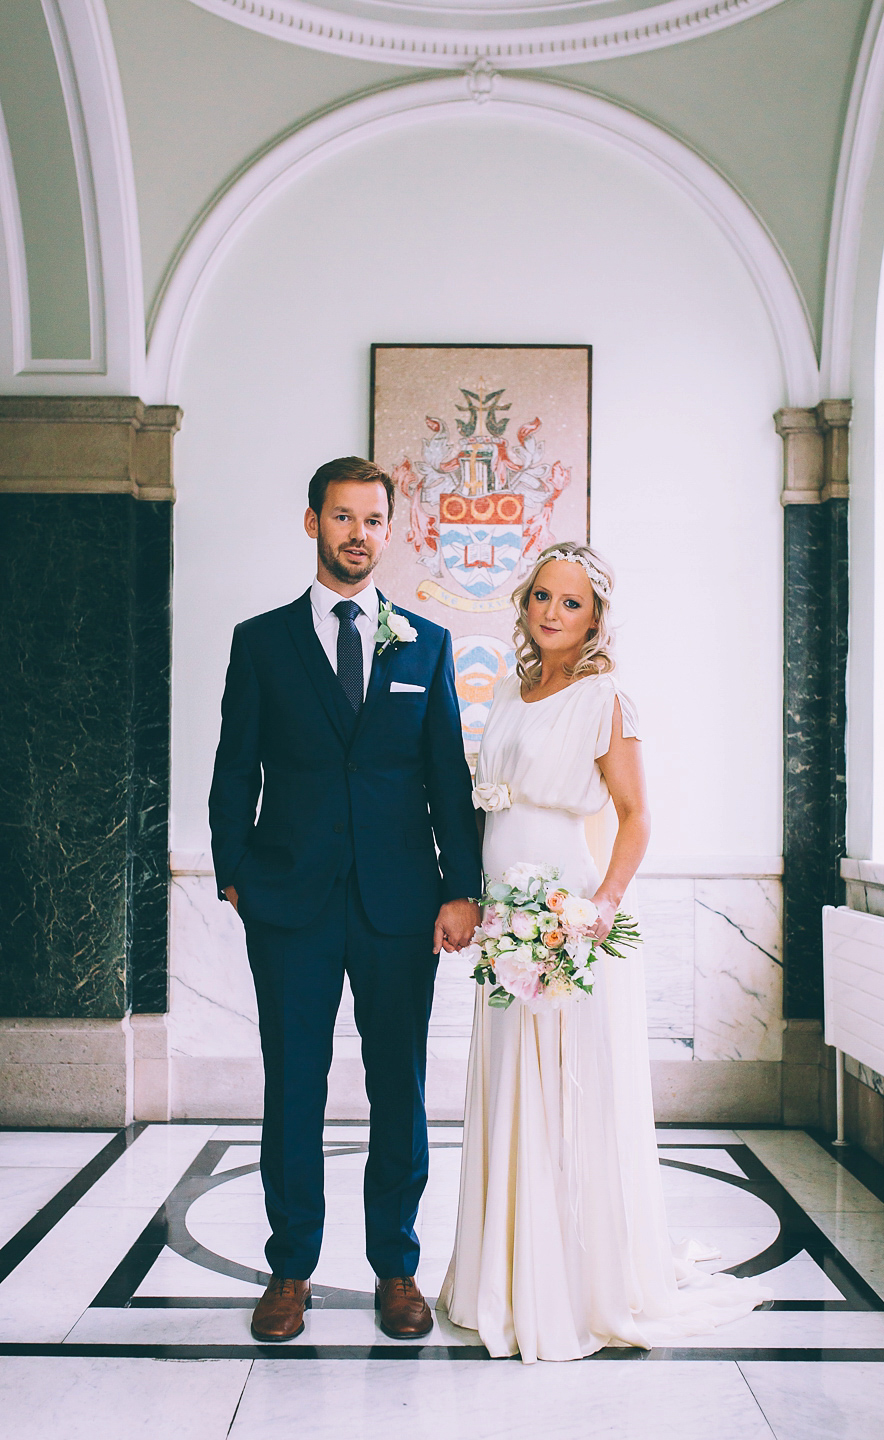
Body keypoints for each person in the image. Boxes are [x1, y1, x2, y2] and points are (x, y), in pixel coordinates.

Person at [440, 541, 770, 1362]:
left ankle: (576, 1287)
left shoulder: (607, 698)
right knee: (513, 1087)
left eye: (571, 602)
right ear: (524, 606)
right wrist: (482, 903)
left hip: (565, 921)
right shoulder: (512, 695)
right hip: (506, 919)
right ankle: (507, 1274)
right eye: (542, 598)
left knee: (568, 1100)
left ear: (595, 617)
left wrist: (598, 910)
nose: (552, 612)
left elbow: (636, 815)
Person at [209, 456, 482, 1343]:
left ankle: (396, 1268)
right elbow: (232, 771)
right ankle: (290, 1270)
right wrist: (234, 871)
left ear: (389, 530)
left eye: (372, 519)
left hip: (400, 906)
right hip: (288, 901)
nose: (357, 533)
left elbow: (449, 775)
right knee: (295, 1085)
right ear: (311, 522)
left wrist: (461, 889)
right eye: (341, 517)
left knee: (397, 1088)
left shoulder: (426, 644)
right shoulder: (261, 641)